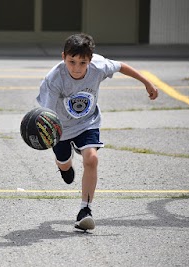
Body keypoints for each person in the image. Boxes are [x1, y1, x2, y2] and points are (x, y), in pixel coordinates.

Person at [37, 33, 158, 231]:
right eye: (72, 62)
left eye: (82, 62)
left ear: (90, 60)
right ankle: (65, 167)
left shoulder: (98, 66)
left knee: (91, 159)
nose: (76, 68)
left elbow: (121, 66)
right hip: (61, 126)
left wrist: (147, 82)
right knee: (64, 163)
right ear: (63, 57)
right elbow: (48, 115)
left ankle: (85, 210)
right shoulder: (54, 79)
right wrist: (45, 134)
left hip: (87, 121)